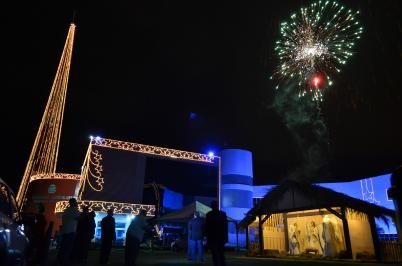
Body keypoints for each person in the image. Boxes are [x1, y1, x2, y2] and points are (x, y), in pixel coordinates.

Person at [57, 198, 80, 266]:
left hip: (65, 231)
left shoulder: (66, 210)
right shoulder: (74, 209)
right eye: (75, 202)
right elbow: (79, 218)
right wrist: (87, 215)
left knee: (63, 246)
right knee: (68, 247)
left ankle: (60, 259)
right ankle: (65, 261)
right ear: (73, 203)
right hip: (71, 231)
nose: (77, 203)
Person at [205, 200, 228, 266]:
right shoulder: (223, 214)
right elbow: (225, 226)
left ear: (211, 206)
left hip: (213, 238)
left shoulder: (209, 215)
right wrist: (225, 237)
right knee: (221, 253)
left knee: (215, 254)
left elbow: (207, 227)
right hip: (220, 237)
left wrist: (207, 237)